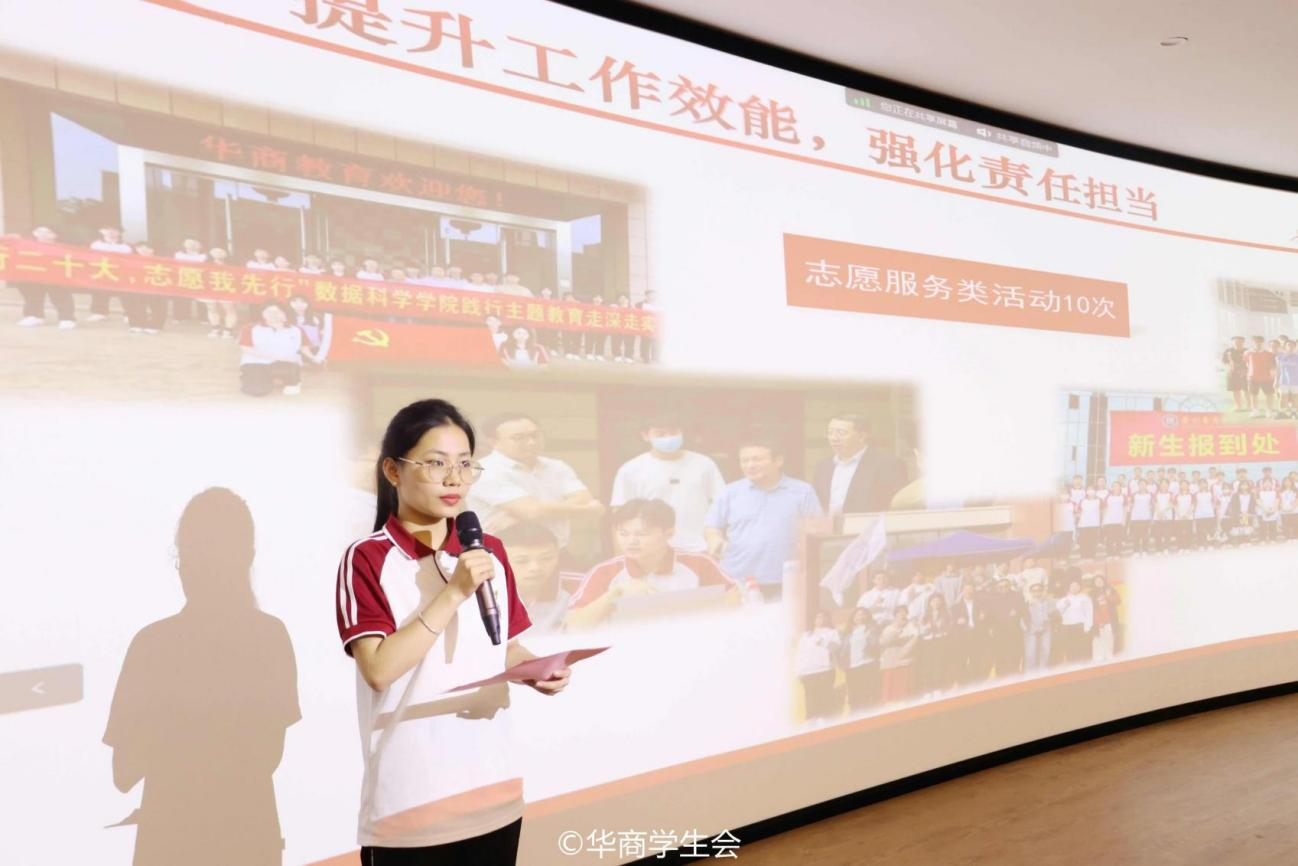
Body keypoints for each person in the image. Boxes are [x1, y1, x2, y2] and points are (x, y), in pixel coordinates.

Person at [336, 399, 569, 862]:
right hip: (412, 804)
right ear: (393, 470)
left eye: (464, 464)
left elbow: (505, 646)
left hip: (493, 789)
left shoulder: (489, 549)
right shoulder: (368, 558)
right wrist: (453, 592)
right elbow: (378, 670)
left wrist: (536, 668)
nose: (454, 479)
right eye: (436, 463)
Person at [565, 499, 738, 629]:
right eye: (623, 533)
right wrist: (615, 593)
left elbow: (734, 602)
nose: (631, 541)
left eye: (641, 534)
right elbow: (573, 626)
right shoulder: (604, 572)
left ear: (669, 533)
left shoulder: (699, 563)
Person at [705, 434, 823, 596]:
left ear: (778, 461)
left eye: (757, 459)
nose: (750, 465)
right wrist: (714, 539)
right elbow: (712, 526)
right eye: (744, 460)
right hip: (738, 579)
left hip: (787, 579)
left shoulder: (802, 491)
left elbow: (817, 533)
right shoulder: (730, 492)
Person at [466, 413, 603, 548]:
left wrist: (526, 515)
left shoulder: (556, 466)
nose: (531, 442)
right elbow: (531, 512)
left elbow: (584, 499)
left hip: (555, 550)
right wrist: (586, 510)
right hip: (504, 553)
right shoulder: (484, 470)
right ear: (493, 442)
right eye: (519, 438)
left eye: (535, 435)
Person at [608, 413, 726, 554]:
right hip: (651, 552)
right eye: (660, 434)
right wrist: (621, 557)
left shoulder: (704, 464)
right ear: (645, 435)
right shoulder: (630, 470)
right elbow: (619, 516)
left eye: (674, 432)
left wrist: (715, 540)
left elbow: (721, 504)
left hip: (700, 548)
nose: (668, 438)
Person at [812, 413, 907, 515]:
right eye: (830, 432)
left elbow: (897, 504)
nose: (833, 438)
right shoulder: (823, 467)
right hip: (828, 525)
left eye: (841, 433)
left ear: (861, 436)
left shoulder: (887, 464)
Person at [495, 522, 573, 633]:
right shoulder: (481, 594)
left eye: (546, 558)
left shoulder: (577, 587)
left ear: (558, 556)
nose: (535, 568)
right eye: (521, 561)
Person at [237, 302, 307, 397]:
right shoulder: (250, 328)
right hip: (256, 363)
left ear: (285, 314)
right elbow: (246, 349)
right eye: (269, 312)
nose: (273, 314)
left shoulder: (296, 330)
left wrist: (315, 358)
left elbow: (304, 348)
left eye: (277, 312)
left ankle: (292, 380)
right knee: (258, 391)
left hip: (285, 363)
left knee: (290, 370)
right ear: (262, 313)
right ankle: (254, 378)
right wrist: (274, 356)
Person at [13, 225, 75, 329]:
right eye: (39, 231)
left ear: (55, 235)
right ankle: (34, 316)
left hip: (55, 276)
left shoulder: (62, 248)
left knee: (60, 296)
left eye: (48, 232)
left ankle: (67, 318)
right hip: (32, 275)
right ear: (34, 233)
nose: (43, 234)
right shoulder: (26, 245)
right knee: (31, 296)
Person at [795, 611, 842, 722]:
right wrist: (798, 672)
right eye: (818, 617)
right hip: (808, 671)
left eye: (823, 617)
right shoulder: (806, 635)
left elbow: (836, 647)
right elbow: (800, 653)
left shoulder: (832, 632)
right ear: (814, 620)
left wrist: (823, 641)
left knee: (825, 698)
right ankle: (810, 723)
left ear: (827, 619)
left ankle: (825, 722)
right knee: (810, 699)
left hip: (825, 670)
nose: (820, 619)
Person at [86, 225, 133, 321]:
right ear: (102, 231)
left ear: (119, 233)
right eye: (108, 230)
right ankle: (99, 312)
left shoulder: (125, 247)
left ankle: (129, 314)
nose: (111, 232)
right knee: (99, 292)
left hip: (120, 272)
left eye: (114, 230)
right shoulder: (96, 244)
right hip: (102, 270)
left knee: (125, 293)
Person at [841, 606, 881, 712]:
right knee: (854, 696)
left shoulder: (872, 628)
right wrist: (842, 664)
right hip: (852, 667)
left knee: (869, 693)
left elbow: (876, 645)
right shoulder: (848, 633)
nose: (860, 617)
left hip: (868, 664)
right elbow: (842, 651)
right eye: (857, 614)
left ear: (867, 616)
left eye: (863, 614)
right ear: (853, 617)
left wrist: (868, 637)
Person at [878, 607, 919, 704]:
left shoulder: (911, 627)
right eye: (899, 612)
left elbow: (913, 641)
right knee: (889, 682)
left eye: (904, 612)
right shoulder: (889, 628)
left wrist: (902, 654)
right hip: (889, 660)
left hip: (904, 659)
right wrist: (895, 631)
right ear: (895, 615)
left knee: (902, 683)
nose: (902, 614)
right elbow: (883, 642)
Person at [1021, 581, 1056, 672]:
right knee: (1030, 653)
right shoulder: (1027, 603)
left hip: (1046, 629)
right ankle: (1030, 674)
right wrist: (1029, 627)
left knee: (1046, 651)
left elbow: (1054, 615)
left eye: (1039, 590)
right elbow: (1023, 618)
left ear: (1043, 591)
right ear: (1030, 592)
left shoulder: (1049, 602)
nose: (1037, 593)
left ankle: (1043, 672)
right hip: (1031, 630)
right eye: (1034, 591)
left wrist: (1048, 621)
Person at [1056, 580, 1094, 664]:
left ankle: (1081, 665)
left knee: (1080, 648)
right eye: (1072, 586)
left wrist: (1087, 627)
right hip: (1066, 627)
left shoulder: (1085, 598)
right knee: (1069, 648)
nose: (1074, 588)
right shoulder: (1063, 600)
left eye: (1077, 586)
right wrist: (1065, 605)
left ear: (1080, 587)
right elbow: (1058, 614)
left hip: (1079, 626)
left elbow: (1089, 613)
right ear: (1069, 588)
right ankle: (1071, 664)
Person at [287, 295, 330, 364]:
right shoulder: (286, 318)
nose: (299, 305)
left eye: (303, 301)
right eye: (294, 301)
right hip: (298, 351)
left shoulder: (316, 317)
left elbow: (323, 333)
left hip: (318, 349)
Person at [1245, 336, 1278, 418]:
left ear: (1262, 343)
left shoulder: (1269, 354)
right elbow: (1247, 364)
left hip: (1266, 377)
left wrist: (1273, 376)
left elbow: (1273, 366)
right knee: (1253, 394)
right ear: (1253, 343)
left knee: (1269, 394)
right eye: (1255, 342)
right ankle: (1255, 411)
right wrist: (1249, 374)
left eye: (1259, 342)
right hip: (1253, 377)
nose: (1257, 343)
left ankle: (1269, 411)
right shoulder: (1247, 353)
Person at [1222, 336, 1249, 413]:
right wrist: (1229, 368)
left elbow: (1251, 362)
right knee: (1235, 390)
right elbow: (1224, 362)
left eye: (1240, 342)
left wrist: (1246, 371)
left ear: (1243, 342)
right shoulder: (1228, 351)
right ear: (1232, 342)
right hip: (1232, 373)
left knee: (1246, 390)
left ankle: (1249, 405)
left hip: (1245, 373)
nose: (1237, 343)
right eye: (1235, 342)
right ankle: (1238, 406)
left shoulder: (1247, 351)